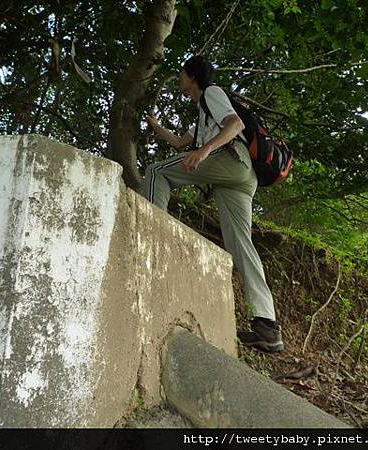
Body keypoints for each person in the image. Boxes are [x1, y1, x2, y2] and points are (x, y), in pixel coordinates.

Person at [142, 55, 284, 353]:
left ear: (192, 75)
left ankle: (151, 238)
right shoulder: (203, 112)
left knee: (156, 172)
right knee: (240, 244)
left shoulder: (212, 93)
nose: (179, 79)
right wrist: (155, 126)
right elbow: (181, 144)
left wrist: (206, 149)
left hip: (232, 161)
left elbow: (234, 125)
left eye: (181, 74)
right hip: (239, 180)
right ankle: (266, 325)